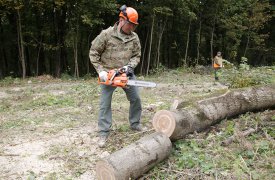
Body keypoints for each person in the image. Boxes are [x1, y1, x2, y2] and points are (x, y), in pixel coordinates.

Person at [89, 5, 143, 148]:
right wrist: (101, 71)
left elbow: (137, 55)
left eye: (133, 25)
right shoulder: (106, 34)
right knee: (104, 104)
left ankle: (135, 123)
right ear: (121, 20)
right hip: (109, 74)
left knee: (136, 98)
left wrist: (129, 67)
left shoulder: (134, 37)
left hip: (126, 74)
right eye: (129, 24)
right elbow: (93, 52)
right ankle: (103, 132)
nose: (131, 27)